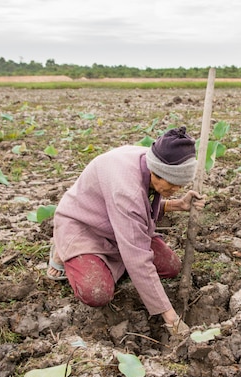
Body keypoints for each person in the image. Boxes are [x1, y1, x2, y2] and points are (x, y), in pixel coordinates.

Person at [46, 126, 205, 336]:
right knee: (97, 293)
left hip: (118, 223)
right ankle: (63, 246)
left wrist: (176, 204)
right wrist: (171, 319)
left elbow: (138, 209)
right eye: (172, 184)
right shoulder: (126, 190)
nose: (176, 189)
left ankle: (120, 257)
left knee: (171, 267)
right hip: (85, 226)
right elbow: (138, 255)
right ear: (156, 171)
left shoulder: (148, 160)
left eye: (180, 185)